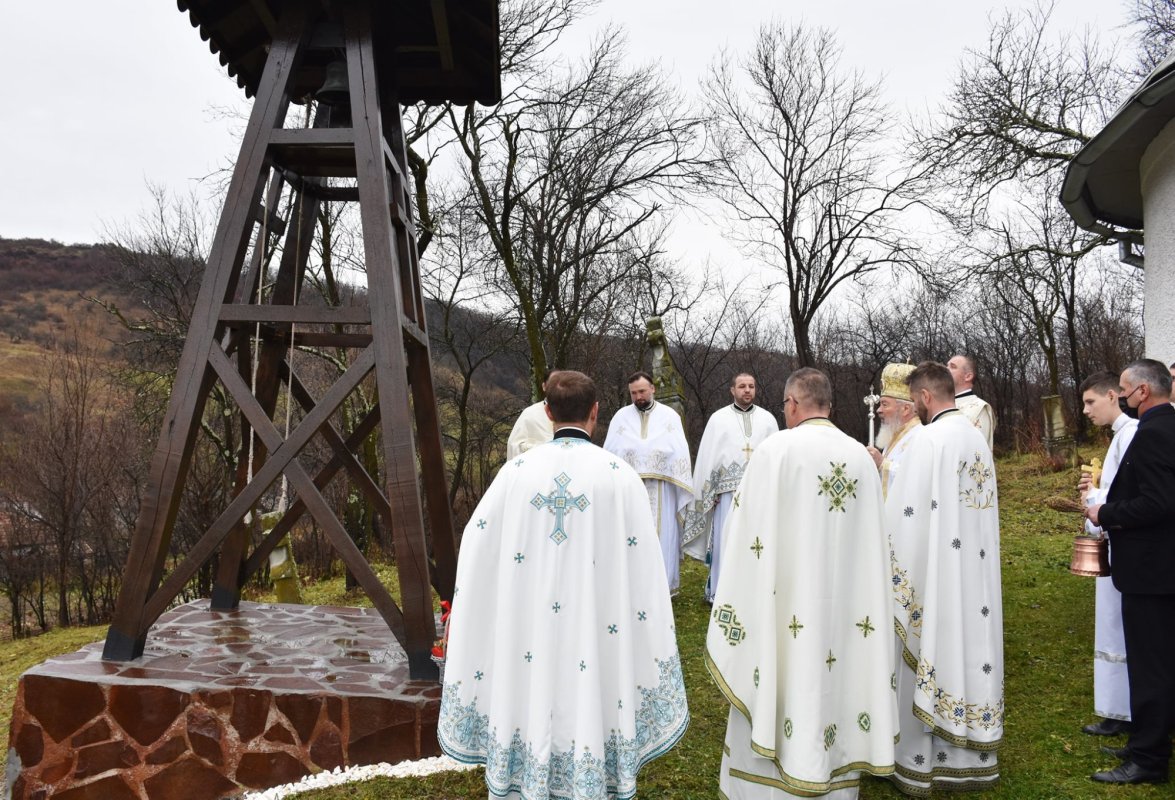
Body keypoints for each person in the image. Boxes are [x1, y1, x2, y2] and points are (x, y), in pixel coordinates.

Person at [438, 370, 689, 799]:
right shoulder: (619, 475)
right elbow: (647, 566)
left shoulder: (515, 474)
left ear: (548, 411)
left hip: (529, 630)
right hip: (597, 626)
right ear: (596, 412)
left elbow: (478, 546)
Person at [706, 367, 898, 799]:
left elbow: (745, 535)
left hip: (785, 602)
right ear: (829, 404)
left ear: (792, 405)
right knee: (838, 678)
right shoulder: (860, 458)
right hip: (845, 612)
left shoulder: (776, 452)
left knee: (784, 669)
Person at [887, 361, 1003, 795]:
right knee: (972, 648)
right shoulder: (975, 436)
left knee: (927, 642)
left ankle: (922, 761)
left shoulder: (927, 439)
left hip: (935, 570)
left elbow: (906, 516)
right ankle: (973, 757)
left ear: (922, 397)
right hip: (975, 572)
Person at [1085, 359, 1175, 786]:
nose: (1120, 396)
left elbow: (1159, 503)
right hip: (1158, 567)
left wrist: (1106, 512)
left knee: (1151, 666)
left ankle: (1150, 759)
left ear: (1143, 391)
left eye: (1123, 389)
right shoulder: (1165, 427)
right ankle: (1146, 739)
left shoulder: (1155, 433)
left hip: (1152, 570)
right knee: (1156, 662)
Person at [1077, 371, 1138, 738]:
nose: (1086, 410)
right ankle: (1116, 707)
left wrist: (1095, 499)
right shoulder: (1119, 437)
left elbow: (1120, 499)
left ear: (1113, 396)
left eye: (1090, 402)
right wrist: (1096, 490)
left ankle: (1123, 710)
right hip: (1116, 542)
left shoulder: (1130, 435)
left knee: (1118, 630)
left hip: (1123, 545)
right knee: (1111, 627)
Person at [683, 372, 779, 603]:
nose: (747, 390)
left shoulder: (768, 420)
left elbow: (776, 456)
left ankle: (755, 592)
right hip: (725, 495)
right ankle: (722, 592)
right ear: (732, 390)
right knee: (727, 541)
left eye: (751, 386)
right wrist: (709, 494)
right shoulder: (718, 419)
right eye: (742, 386)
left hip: (759, 492)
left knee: (756, 541)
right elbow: (708, 458)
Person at [603, 371, 693, 594]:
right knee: (630, 534)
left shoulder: (669, 416)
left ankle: (661, 588)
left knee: (662, 536)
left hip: (662, 489)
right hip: (629, 488)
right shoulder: (620, 417)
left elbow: (679, 451)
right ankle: (630, 587)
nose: (638, 397)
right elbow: (610, 452)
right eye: (634, 393)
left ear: (652, 389)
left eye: (642, 391)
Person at [864, 363, 921, 499]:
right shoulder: (895, 435)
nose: (879, 410)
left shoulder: (920, 436)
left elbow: (918, 480)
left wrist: (883, 464)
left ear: (906, 409)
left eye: (885, 404)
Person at [946, 354, 995, 452]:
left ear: (968, 376)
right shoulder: (940, 404)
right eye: (946, 366)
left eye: (952, 367)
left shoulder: (979, 409)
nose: (946, 369)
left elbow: (977, 454)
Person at [506, 371, 553, 459]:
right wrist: (543, 450)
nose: (556, 388)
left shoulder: (575, 414)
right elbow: (514, 446)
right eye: (552, 383)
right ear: (544, 386)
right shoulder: (529, 414)